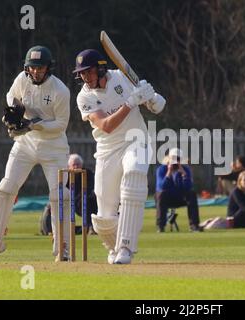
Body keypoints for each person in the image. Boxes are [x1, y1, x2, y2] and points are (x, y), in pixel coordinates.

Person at [73, 49, 165, 264]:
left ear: (101, 67)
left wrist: (151, 98)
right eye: (82, 73)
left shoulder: (122, 77)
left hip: (137, 140)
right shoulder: (84, 96)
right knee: (104, 216)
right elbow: (106, 126)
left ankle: (126, 246)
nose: (85, 77)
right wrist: (130, 103)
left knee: (133, 176)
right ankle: (114, 246)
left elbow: (157, 107)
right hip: (108, 149)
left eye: (88, 71)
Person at [0, 46, 71, 262]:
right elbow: (11, 95)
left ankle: (63, 247)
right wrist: (14, 112)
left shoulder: (60, 90)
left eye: (40, 68)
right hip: (25, 144)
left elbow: (60, 125)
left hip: (54, 146)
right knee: (6, 188)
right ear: (26, 68)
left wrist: (32, 124)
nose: (36, 72)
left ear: (49, 68)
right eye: (32, 68)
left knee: (59, 195)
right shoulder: (22, 79)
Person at [39, 153, 98, 235]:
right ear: (69, 166)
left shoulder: (88, 174)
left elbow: (90, 189)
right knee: (53, 202)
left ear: (82, 165)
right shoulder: (65, 175)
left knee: (89, 200)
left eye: (78, 165)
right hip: (69, 200)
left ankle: (91, 227)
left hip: (84, 201)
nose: (76, 167)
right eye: (74, 165)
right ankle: (49, 229)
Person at [155, 148, 202, 233]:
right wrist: (168, 173)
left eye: (178, 159)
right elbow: (161, 187)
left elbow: (188, 187)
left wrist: (184, 175)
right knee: (161, 194)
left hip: (180, 197)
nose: (175, 162)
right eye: (173, 159)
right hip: (167, 198)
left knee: (192, 194)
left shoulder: (185, 169)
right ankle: (161, 226)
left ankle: (194, 225)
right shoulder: (161, 169)